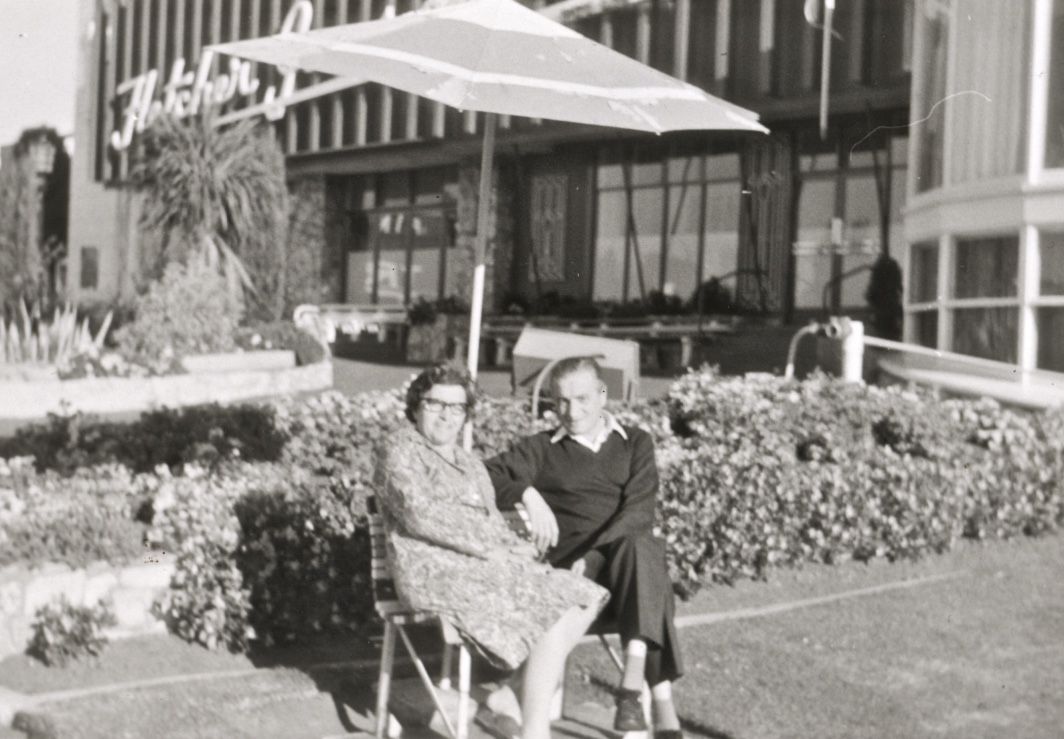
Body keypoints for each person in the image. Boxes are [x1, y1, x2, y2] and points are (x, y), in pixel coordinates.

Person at [373, 362, 608, 739]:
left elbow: (491, 523)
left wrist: (514, 549)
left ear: (467, 414)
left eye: (457, 407)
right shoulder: (399, 448)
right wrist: (490, 550)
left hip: (482, 568)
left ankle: (510, 696)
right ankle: (535, 731)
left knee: (583, 596)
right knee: (550, 606)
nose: (446, 415)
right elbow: (421, 514)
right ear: (417, 405)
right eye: (435, 404)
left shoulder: (469, 463)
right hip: (432, 571)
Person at [486, 356, 685, 738]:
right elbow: (486, 474)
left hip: (610, 569)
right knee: (649, 563)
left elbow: (640, 508)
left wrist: (594, 557)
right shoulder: (541, 449)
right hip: (576, 576)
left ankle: (633, 687)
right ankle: (656, 703)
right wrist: (527, 492)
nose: (571, 411)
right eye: (561, 401)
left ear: (602, 395)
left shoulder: (635, 443)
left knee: (639, 544)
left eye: (581, 399)